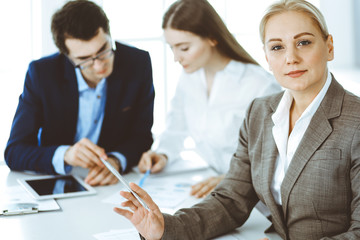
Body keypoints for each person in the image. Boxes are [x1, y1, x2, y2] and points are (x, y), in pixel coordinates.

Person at [115, 0, 360, 239]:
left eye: (304, 42)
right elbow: (231, 200)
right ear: (266, 56)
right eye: (277, 47)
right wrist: (166, 227)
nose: (291, 58)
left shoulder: (355, 121)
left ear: (329, 47)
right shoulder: (260, 112)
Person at [137, 0, 281, 198]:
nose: (176, 58)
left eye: (184, 48)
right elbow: (176, 127)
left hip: (258, 198)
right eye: (172, 48)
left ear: (212, 38)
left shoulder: (259, 84)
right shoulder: (190, 77)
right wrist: (162, 153)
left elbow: (274, 156)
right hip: (213, 187)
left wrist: (233, 178)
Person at [4, 0, 154, 186]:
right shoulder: (42, 74)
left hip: (113, 186)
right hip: (59, 184)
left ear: (109, 35)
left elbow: (142, 136)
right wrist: (66, 154)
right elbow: (14, 152)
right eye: (84, 59)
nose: (99, 66)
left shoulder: (138, 63)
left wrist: (116, 161)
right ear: (66, 56)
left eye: (103, 51)